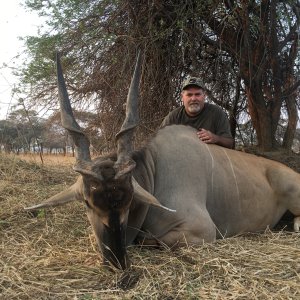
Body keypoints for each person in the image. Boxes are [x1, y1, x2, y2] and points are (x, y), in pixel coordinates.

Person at [161, 77, 234, 149]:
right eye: (189, 95)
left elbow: (230, 143)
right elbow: (159, 141)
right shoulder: (173, 117)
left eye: (197, 94)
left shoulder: (217, 113)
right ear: (182, 97)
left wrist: (215, 138)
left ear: (204, 96)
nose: (193, 99)